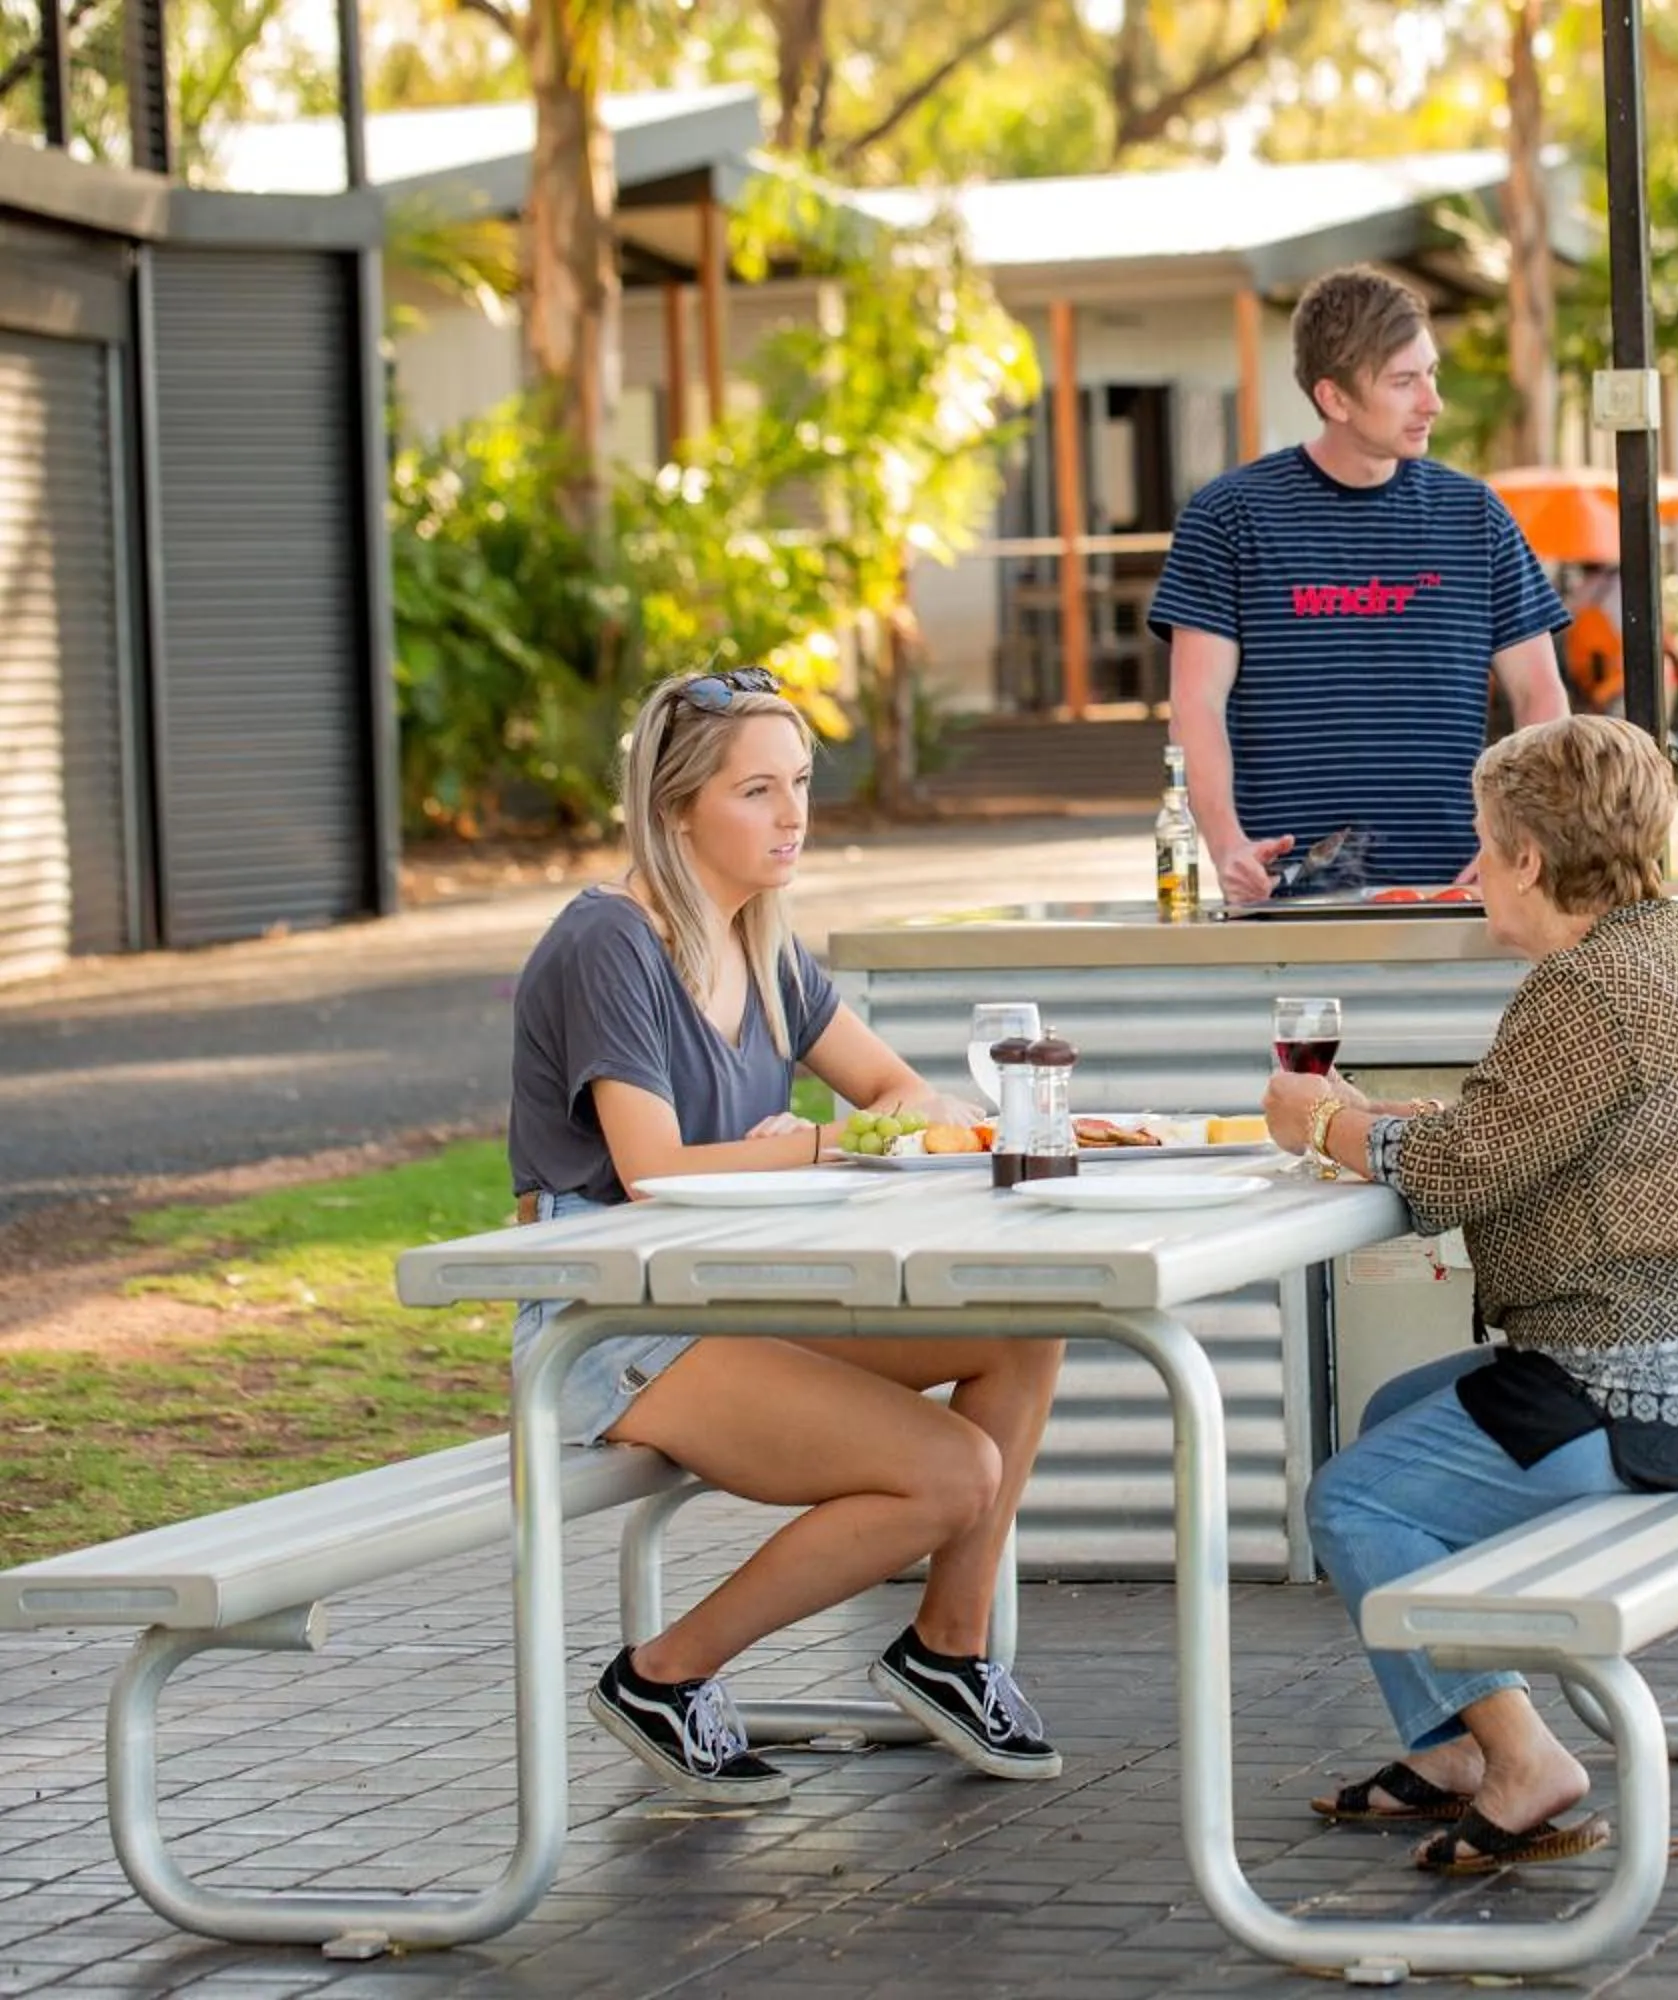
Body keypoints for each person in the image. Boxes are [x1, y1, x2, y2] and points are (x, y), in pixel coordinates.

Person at [1263, 714, 1678, 1873]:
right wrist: (1427, 1134)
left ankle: (1529, 1759)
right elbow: (1522, 1138)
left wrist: (1320, 1120)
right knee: (1394, 1417)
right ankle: (1452, 1748)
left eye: (1486, 845)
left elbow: (1444, 1178)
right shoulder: (1658, 950)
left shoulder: (1582, 989)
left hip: (1659, 1397)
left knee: (1355, 1500)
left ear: (1530, 858)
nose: (1477, 870)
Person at [510, 668, 1066, 1805]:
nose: (794, 815)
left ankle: (948, 1649)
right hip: (612, 1325)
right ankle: (667, 1675)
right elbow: (651, 1168)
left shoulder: (763, 942)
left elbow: (896, 1086)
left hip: (725, 1293)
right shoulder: (608, 944)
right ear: (676, 812)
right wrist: (818, 1145)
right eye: (757, 790)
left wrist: (905, 1122)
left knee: (1026, 1329)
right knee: (948, 1471)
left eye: (800, 784)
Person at [1151, 265, 1570, 906]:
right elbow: (1195, 701)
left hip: (1456, 893)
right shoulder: (1228, 517)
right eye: (1404, 382)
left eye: (1431, 374)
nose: (1432, 401)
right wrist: (1227, 843)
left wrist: (1519, 839)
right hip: (1290, 899)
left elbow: (1539, 692)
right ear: (1334, 398)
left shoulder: (1476, 515)